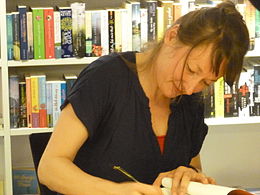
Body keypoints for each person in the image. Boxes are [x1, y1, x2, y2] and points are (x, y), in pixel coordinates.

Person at [37, 1, 249, 195]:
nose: (190, 87)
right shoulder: (105, 78)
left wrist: (187, 175)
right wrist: (115, 192)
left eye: (206, 82)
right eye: (191, 69)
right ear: (172, 36)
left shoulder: (192, 100)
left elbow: (193, 164)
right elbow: (50, 168)